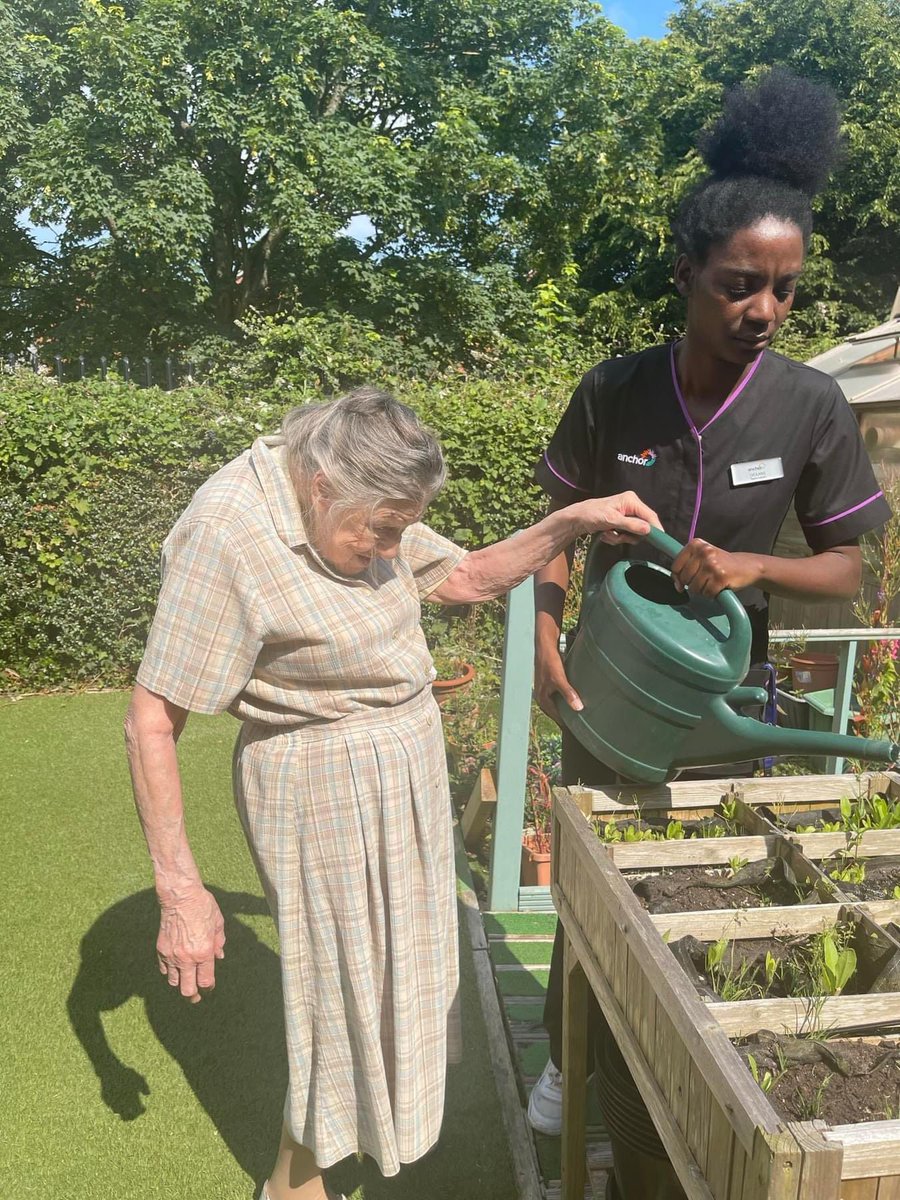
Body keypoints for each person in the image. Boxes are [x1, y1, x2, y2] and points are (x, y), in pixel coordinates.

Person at [124, 386, 659, 1200]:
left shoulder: (363, 496)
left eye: (402, 529)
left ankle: (365, 1140)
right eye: (382, 529)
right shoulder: (226, 532)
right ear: (319, 485)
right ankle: (293, 1184)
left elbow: (468, 577)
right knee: (338, 994)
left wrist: (571, 522)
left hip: (402, 768)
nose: (391, 549)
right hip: (317, 782)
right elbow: (150, 721)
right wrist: (182, 893)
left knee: (402, 977)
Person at [525, 67, 891, 1173]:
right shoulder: (615, 393)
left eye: (784, 290)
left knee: (704, 886)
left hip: (727, 698)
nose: (764, 313)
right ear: (686, 273)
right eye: (740, 285)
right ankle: (565, 1057)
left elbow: (853, 577)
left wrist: (748, 566)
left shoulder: (809, 405)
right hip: (606, 687)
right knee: (595, 894)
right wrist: (542, 646)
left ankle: (683, 1087)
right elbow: (554, 536)